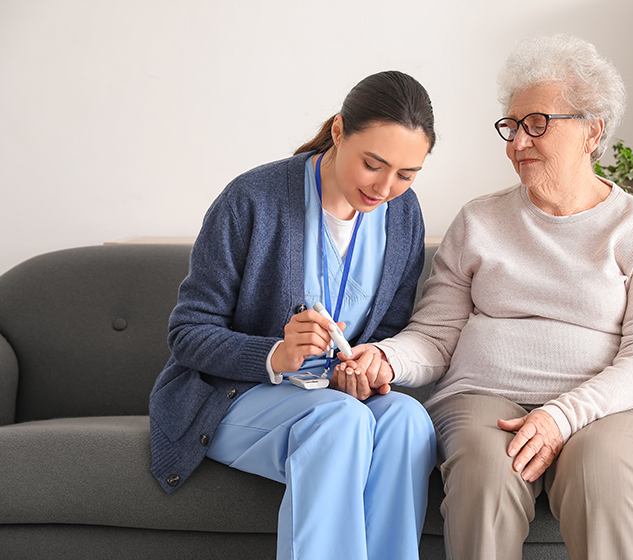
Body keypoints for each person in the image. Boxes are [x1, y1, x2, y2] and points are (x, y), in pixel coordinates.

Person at [334, 35, 633, 560]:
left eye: (537, 123)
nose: (518, 142)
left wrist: (562, 417)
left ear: (593, 131)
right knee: (485, 479)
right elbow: (435, 336)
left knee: (600, 477)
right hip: (482, 397)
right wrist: (385, 357)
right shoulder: (478, 220)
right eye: (512, 126)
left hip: (610, 407)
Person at [148, 70, 438, 560]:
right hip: (233, 396)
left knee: (408, 419)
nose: (387, 188)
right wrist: (276, 354)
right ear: (340, 131)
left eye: (406, 175)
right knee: (339, 421)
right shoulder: (252, 199)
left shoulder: (404, 215)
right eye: (374, 164)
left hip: (333, 399)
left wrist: (365, 369)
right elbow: (188, 333)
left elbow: (388, 330)